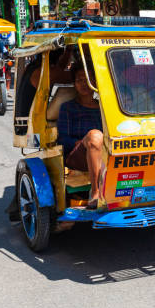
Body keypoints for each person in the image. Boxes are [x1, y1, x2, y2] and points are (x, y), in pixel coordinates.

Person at [57, 64, 103, 209]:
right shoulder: (68, 107)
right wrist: (86, 143)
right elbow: (63, 139)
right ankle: (96, 193)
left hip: (105, 152)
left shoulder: (103, 107)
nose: (84, 84)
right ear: (74, 84)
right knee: (95, 136)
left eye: (88, 79)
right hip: (78, 155)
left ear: (95, 82)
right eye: (79, 80)